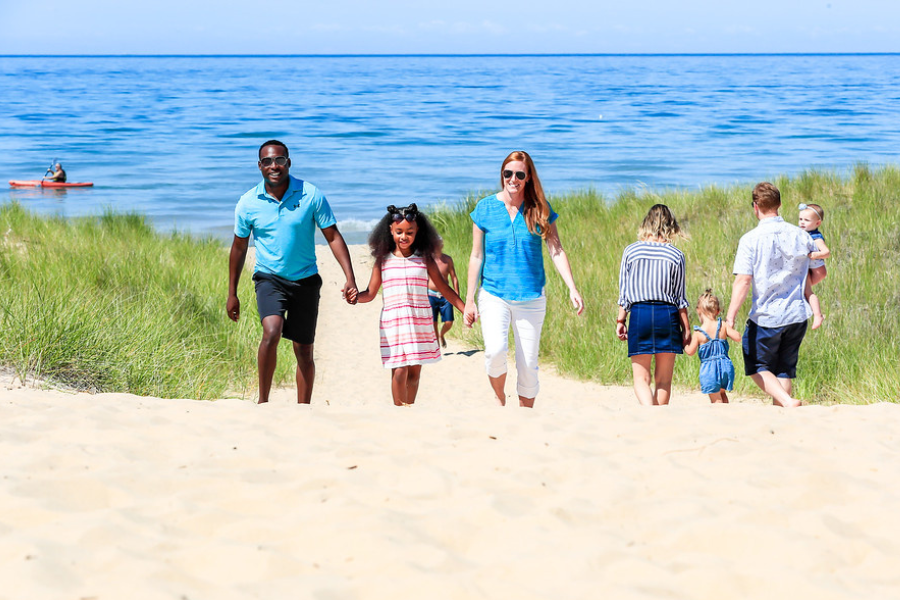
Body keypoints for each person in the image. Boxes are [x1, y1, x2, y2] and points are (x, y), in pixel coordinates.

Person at [227, 140, 358, 404]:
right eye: (267, 161)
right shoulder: (248, 202)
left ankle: (303, 408)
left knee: (304, 351)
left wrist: (350, 277)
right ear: (259, 166)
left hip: (306, 281)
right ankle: (263, 402)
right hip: (269, 279)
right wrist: (232, 293)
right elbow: (239, 247)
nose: (274, 166)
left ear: (289, 162)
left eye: (279, 160)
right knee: (272, 331)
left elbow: (332, 236)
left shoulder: (310, 194)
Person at [464, 150, 584, 408]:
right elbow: (476, 256)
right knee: (495, 352)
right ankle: (499, 400)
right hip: (493, 293)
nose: (513, 179)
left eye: (520, 174)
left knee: (528, 366)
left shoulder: (540, 209)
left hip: (531, 297)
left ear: (528, 177)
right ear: (502, 175)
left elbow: (556, 249)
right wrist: (469, 299)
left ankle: (525, 417)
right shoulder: (485, 208)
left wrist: (572, 288)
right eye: (508, 173)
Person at [353, 204, 465, 406]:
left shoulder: (424, 259)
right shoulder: (383, 260)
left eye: (409, 232)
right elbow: (370, 293)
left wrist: (465, 309)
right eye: (399, 232)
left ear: (417, 232)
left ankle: (409, 410)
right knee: (400, 369)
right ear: (390, 230)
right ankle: (399, 410)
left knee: (414, 372)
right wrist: (355, 297)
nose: (404, 237)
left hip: (419, 321)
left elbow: (444, 289)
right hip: (393, 323)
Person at [725, 182, 817, 408]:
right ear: (780, 205)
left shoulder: (750, 239)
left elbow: (744, 280)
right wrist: (798, 284)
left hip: (767, 315)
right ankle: (783, 412)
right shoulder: (802, 235)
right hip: (797, 313)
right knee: (784, 368)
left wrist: (730, 316)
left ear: (755, 206)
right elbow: (819, 272)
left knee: (756, 365)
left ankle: (785, 402)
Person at [615, 204, 691, 406]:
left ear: (646, 224)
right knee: (664, 380)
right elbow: (680, 297)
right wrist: (687, 328)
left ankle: (649, 415)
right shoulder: (676, 255)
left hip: (640, 314)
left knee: (641, 379)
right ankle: (659, 419)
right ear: (671, 226)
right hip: (668, 315)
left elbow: (625, 293)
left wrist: (620, 320)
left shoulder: (631, 251)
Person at [684, 289, 741, 403]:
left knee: (716, 400)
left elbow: (690, 351)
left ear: (698, 310)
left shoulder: (698, 333)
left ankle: (721, 418)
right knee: (722, 394)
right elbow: (738, 337)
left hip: (710, 370)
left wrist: (685, 342)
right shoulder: (723, 326)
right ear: (718, 311)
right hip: (725, 366)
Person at [798, 202, 831, 329]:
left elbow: (826, 252)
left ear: (817, 223)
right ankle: (808, 314)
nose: (802, 222)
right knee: (802, 291)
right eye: (800, 219)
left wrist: (813, 255)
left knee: (808, 292)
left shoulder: (816, 237)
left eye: (806, 220)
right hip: (809, 269)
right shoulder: (803, 234)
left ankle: (818, 315)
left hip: (818, 270)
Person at [427, 237, 460, 348]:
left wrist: (456, 293)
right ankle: (436, 343)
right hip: (430, 294)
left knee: (449, 322)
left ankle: (442, 335)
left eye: (439, 243)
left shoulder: (448, 260)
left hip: (446, 296)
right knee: (433, 322)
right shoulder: (428, 260)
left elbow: (454, 277)